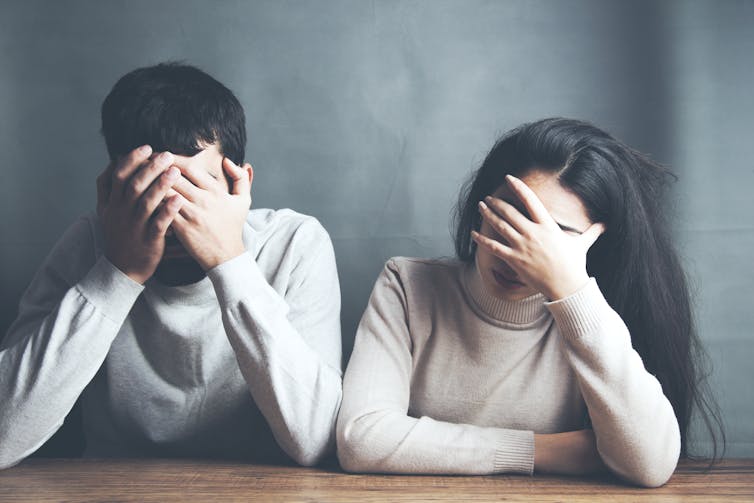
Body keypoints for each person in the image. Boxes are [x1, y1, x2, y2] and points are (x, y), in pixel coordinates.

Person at [336, 118, 723, 487]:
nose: (514, 254)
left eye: (552, 237)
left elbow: (651, 464)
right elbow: (361, 438)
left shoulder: (606, 312)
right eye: (508, 220)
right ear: (481, 206)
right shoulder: (406, 285)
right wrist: (543, 450)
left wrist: (572, 292)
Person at [0, 63, 342, 469]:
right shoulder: (89, 243)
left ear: (241, 186)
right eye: (149, 190)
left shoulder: (294, 244)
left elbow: (317, 440)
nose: (172, 217)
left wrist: (229, 262)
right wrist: (117, 272)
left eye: (194, 189)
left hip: (263, 488)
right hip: (111, 489)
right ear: (110, 190)